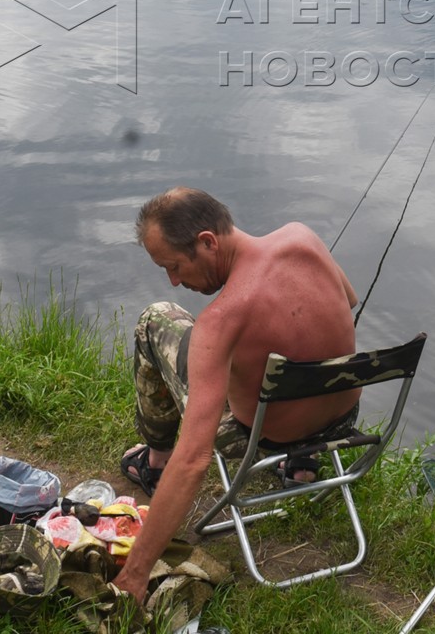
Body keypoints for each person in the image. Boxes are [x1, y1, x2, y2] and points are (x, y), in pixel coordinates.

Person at [110, 187, 359, 604]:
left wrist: (135, 574)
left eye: (174, 266)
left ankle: (154, 461)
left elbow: (194, 461)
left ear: (207, 242)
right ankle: (303, 462)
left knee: (155, 319)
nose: (174, 280)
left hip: (263, 437)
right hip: (340, 420)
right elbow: (348, 301)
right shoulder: (302, 237)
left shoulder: (221, 321)